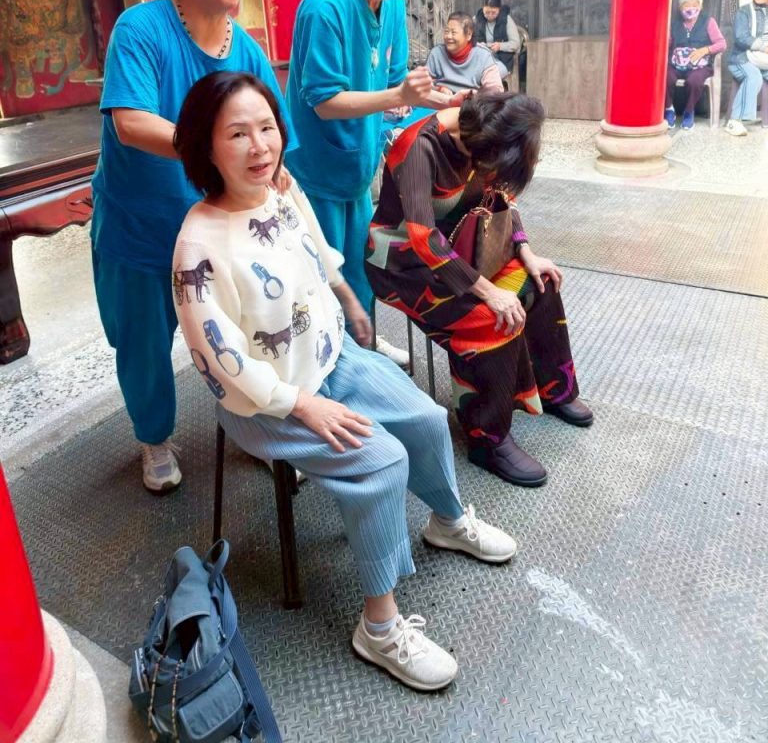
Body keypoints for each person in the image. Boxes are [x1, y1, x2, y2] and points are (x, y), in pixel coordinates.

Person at [172, 70, 518, 692]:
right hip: (270, 403)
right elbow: (220, 359)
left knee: (426, 418)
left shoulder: (280, 192)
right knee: (382, 461)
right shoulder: (198, 246)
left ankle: (446, 520)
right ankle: (379, 627)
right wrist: (300, 405)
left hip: (332, 361)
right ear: (206, 146)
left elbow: (314, 249)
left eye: (267, 128)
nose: (259, 146)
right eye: (237, 134)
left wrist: (348, 300)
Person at [91, 0, 291, 495]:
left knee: (245, 330)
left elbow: (274, 134)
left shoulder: (246, 49)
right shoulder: (141, 29)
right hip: (140, 228)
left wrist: (278, 172)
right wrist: (216, 149)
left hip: (219, 237)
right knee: (145, 344)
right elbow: (130, 122)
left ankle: (256, 427)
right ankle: (154, 438)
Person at [365, 92, 593, 488]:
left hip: (464, 249)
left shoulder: (483, 136)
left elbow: (502, 196)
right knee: (490, 317)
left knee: (540, 284)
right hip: (406, 267)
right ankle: (487, 438)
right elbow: (423, 237)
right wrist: (488, 291)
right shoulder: (419, 148)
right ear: (488, 150)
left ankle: (553, 387)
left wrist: (526, 251)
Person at [286, 0, 449, 369]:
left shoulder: (393, 3)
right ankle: (332, 366)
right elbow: (324, 100)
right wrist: (395, 95)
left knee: (361, 271)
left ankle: (366, 347)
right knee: (322, 277)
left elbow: (392, 88)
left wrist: (422, 100)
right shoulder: (326, 6)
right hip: (317, 171)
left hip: (358, 167)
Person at [665, 0, 726, 131]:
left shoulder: (708, 22)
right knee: (665, 77)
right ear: (680, 8)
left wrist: (705, 50)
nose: (690, 8)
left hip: (700, 66)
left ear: (700, 6)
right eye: (686, 5)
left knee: (695, 80)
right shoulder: (674, 24)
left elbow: (722, 44)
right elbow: (666, 43)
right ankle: (669, 109)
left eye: (694, 5)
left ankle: (689, 111)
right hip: (676, 64)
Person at [726, 0, 768, 136]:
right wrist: (764, 47)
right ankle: (734, 121)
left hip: (763, 61)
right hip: (742, 58)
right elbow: (741, 38)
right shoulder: (744, 12)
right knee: (754, 77)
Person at [426, 12, 505, 93]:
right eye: (446, 31)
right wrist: (439, 89)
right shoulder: (437, 53)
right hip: (442, 98)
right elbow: (425, 83)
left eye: (453, 32)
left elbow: (496, 89)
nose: (448, 36)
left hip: (472, 99)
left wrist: (474, 95)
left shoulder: (483, 56)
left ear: (468, 35)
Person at [474, 0, 522, 80]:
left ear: (499, 9)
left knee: (488, 77)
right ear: (482, 8)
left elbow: (516, 44)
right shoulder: (477, 19)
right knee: (473, 75)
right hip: (482, 60)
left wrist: (500, 46)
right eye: (487, 12)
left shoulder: (506, 20)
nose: (490, 15)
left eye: (493, 12)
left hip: (502, 60)